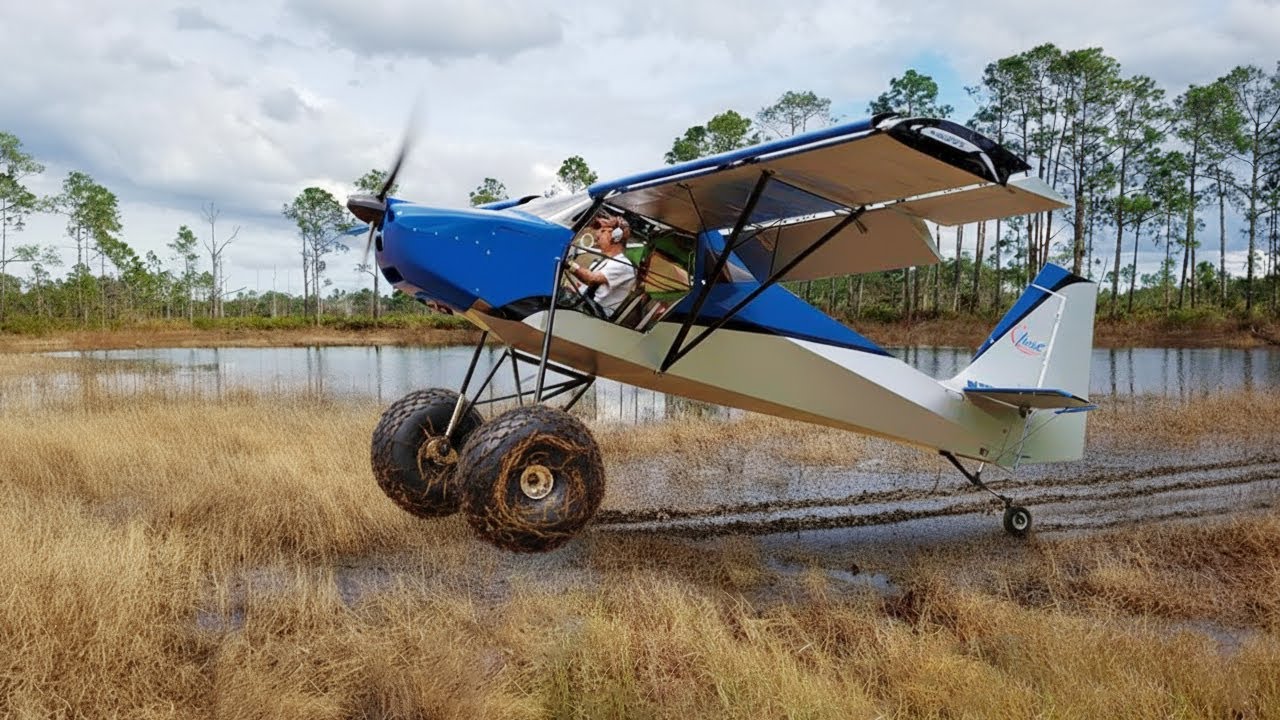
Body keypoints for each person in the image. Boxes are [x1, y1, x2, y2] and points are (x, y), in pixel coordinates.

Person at [565, 216, 636, 317]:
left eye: (603, 231)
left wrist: (569, 264)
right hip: (587, 307)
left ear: (616, 236)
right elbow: (590, 287)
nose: (597, 234)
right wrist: (575, 288)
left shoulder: (623, 264)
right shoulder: (603, 261)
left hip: (598, 314)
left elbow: (592, 279)